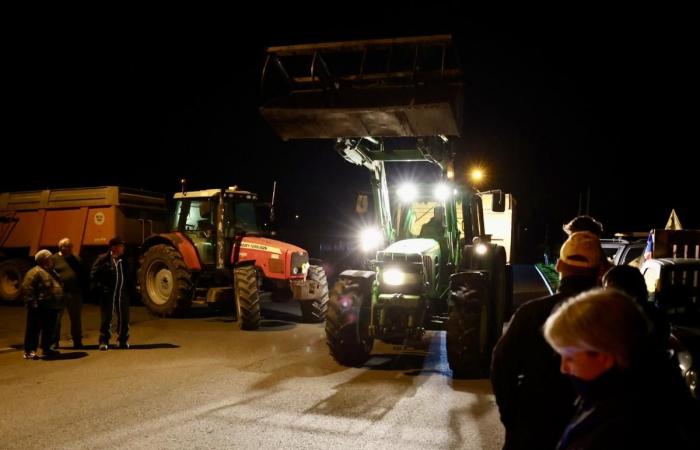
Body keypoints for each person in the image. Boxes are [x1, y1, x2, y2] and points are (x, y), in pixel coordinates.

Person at [544, 288, 698, 449]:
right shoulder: (606, 392)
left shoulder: (628, 427)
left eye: (569, 357)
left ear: (604, 356)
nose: (563, 368)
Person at [491, 231, 603, 450]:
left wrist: (514, 419)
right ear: (600, 271)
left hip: (532, 431)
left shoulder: (530, 313)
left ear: (559, 266)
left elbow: (501, 366)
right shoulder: (614, 319)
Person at [602, 264, 670, 348]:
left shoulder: (630, 322)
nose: (605, 295)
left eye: (609, 290)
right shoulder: (656, 315)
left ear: (630, 292)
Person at [21, 249, 64, 359]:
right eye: (50, 258)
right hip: (39, 306)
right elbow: (27, 288)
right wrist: (32, 303)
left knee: (49, 328)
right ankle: (29, 350)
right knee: (33, 329)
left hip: (51, 306)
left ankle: (46, 348)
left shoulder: (51, 271)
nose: (52, 260)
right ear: (44, 260)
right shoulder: (34, 272)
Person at [91, 237, 130, 350]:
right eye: (121, 246)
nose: (123, 248)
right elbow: (93, 274)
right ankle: (104, 341)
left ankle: (122, 340)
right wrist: (100, 287)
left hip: (122, 293)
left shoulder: (124, 260)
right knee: (106, 318)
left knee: (124, 318)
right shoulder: (103, 259)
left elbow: (129, 274)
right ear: (113, 247)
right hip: (108, 293)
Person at [51, 238, 86, 349]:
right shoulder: (54, 259)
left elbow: (82, 272)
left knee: (76, 319)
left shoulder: (76, 258)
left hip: (75, 293)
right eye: (65, 246)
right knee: (56, 318)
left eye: (70, 246)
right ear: (60, 247)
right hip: (59, 294)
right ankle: (54, 342)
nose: (68, 249)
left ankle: (77, 341)